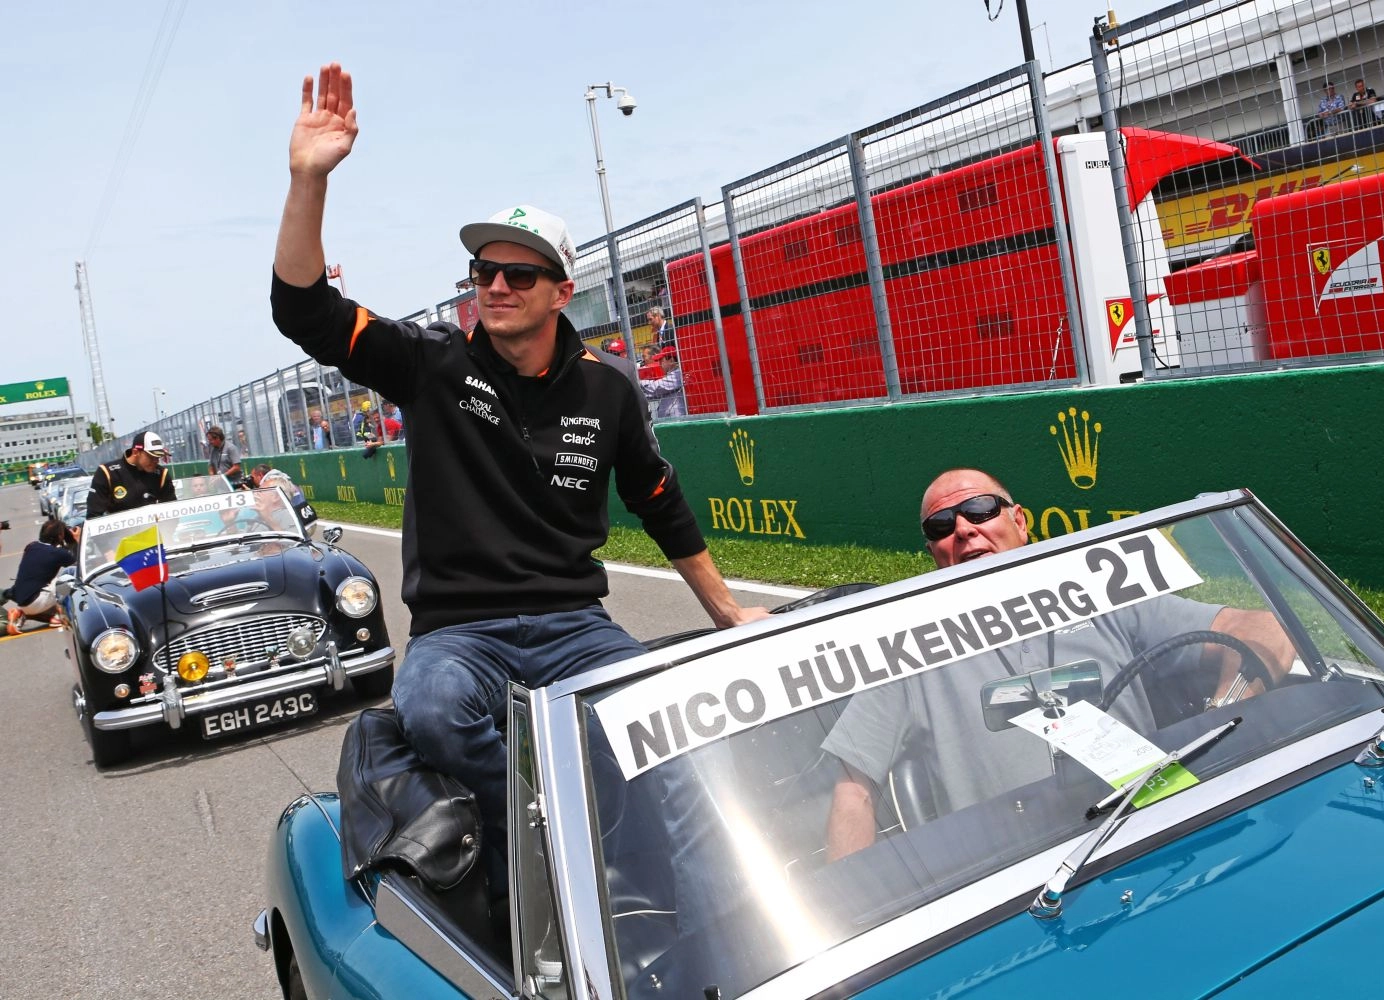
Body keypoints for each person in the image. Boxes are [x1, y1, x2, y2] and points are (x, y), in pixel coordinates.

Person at [269, 63, 768, 919]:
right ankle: (553, 874)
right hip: (460, 634)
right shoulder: (428, 363)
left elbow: (659, 499)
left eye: (518, 274)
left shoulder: (607, 389)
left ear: (561, 292)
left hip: (575, 627)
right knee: (430, 708)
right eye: (481, 271)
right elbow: (304, 311)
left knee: (661, 722)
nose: (493, 286)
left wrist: (726, 610)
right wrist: (308, 180)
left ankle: (720, 914)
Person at [820, 467, 1296, 861]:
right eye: (941, 526)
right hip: (1009, 881)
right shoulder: (911, 646)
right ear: (932, 553)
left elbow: (1266, 629)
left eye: (980, 509)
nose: (963, 529)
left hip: (1149, 833)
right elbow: (854, 791)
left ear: (1020, 521)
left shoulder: (1096, 594)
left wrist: (1219, 721)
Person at [6, 519, 77, 634]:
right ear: (60, 536)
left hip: (22, 600)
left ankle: (21, 614)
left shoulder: (31, 546)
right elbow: (78, 566)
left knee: (47, 583)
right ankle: (61, 615)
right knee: (69, 578)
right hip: (37, 601)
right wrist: (75, 541)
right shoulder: (59, 553)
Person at [86, 431, 177, 518]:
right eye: (151, 457)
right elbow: (93, 516)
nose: (156, 461)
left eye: (158, 457)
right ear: (135, 452)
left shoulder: (161, 474)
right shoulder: (107, 473)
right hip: (119, 533)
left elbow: (173, 511)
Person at [250, 463, 319, 527]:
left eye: (252, 478)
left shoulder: (270, 482)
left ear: (260, 475)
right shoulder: (283, 478)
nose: (252, 480)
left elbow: (267, 506)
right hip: (308, 516)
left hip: (295, 522)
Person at [639, 345, 686, 418]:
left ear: (671, 361)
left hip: (677, 420)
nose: (659, 363)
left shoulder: (678, 374)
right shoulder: (671, 374)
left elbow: (656, 387)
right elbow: (655, 393)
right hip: (671, 419)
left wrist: (638, 382)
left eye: (661, 360)